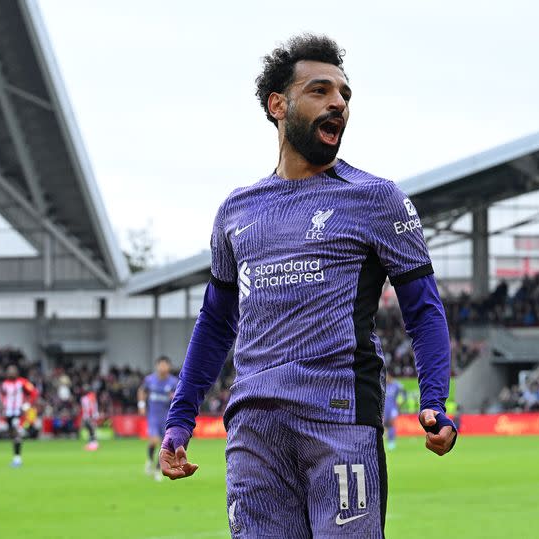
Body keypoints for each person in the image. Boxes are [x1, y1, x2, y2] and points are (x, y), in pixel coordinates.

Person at [159, 34, 457, 537]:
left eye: (344, 94)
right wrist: (180, 419)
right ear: (278, 104)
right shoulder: (236, 211)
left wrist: (434, 398)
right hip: (253, 433)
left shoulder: (376, 199)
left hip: (339, 421)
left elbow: (423, 309)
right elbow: (215, 322)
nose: (338, 102)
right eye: (320, 90)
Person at [138, 356, 178, 481]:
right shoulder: (150, 380)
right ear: (157, 366)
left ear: (169, 367)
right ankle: (150, 460)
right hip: (153, 416)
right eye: (160, 365)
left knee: (164, 446)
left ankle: (157, 469)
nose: (162, 367)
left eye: (165, 365)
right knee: (154, 441)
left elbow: (179, 397)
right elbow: (142, 391)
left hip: (167, 417)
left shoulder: (173, 382)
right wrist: (142, 405)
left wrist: (174, 398)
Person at [0, 365, 38, 468]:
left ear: (17, 373)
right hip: (8, 413)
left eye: (12, 371)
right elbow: (3, 396)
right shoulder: (5, 384)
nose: (10, 373)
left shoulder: (22, 382)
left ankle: (17, 459)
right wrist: (3, 405)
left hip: (18, 412)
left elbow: (34, 392)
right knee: (12, 435)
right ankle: (16, 456)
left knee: (16, 434)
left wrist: (28, 404)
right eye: (9, 371)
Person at [383, 372, 404, 450]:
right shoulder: (382, 385)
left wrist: (400, 402)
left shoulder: (397, 385)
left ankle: (391, 442)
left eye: (387, 376)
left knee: (391, 423)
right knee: (383, 424)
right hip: (384, 408)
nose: (386, 378)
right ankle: (383, 441)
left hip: (392, 408)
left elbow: (403, 394)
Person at [80, 386, 100, 450]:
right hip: (90, 416)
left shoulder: (86, 398)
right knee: (91, 430)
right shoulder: (91, 397)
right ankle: (92, 444)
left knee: (91, 430)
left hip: (89, 416)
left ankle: (93, 444)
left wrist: (91, 416)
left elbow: (90, 407)